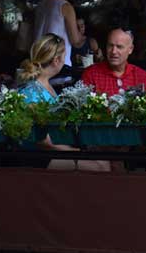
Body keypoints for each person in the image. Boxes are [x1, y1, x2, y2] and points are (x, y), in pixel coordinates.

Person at [18, 33, 109, 171]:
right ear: (56, 60)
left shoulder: (46, 86)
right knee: (98, 167)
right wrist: (76, 152)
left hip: (52, 151)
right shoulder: (31, 92)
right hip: (38, 157)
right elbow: (44, 141)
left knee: (104, 163)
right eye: (65, 57)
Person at [33, 0, 85, 71]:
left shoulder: (40, 5)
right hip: (58, 65)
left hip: (38, 64)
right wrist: (83, 38)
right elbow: (75, 41)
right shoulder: (65, 6)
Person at [82, 28, 146, 96]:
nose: (113, 51)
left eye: (119, 47)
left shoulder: (142, 76)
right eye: (110, 45)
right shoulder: (91, 74)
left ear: (130, 49)